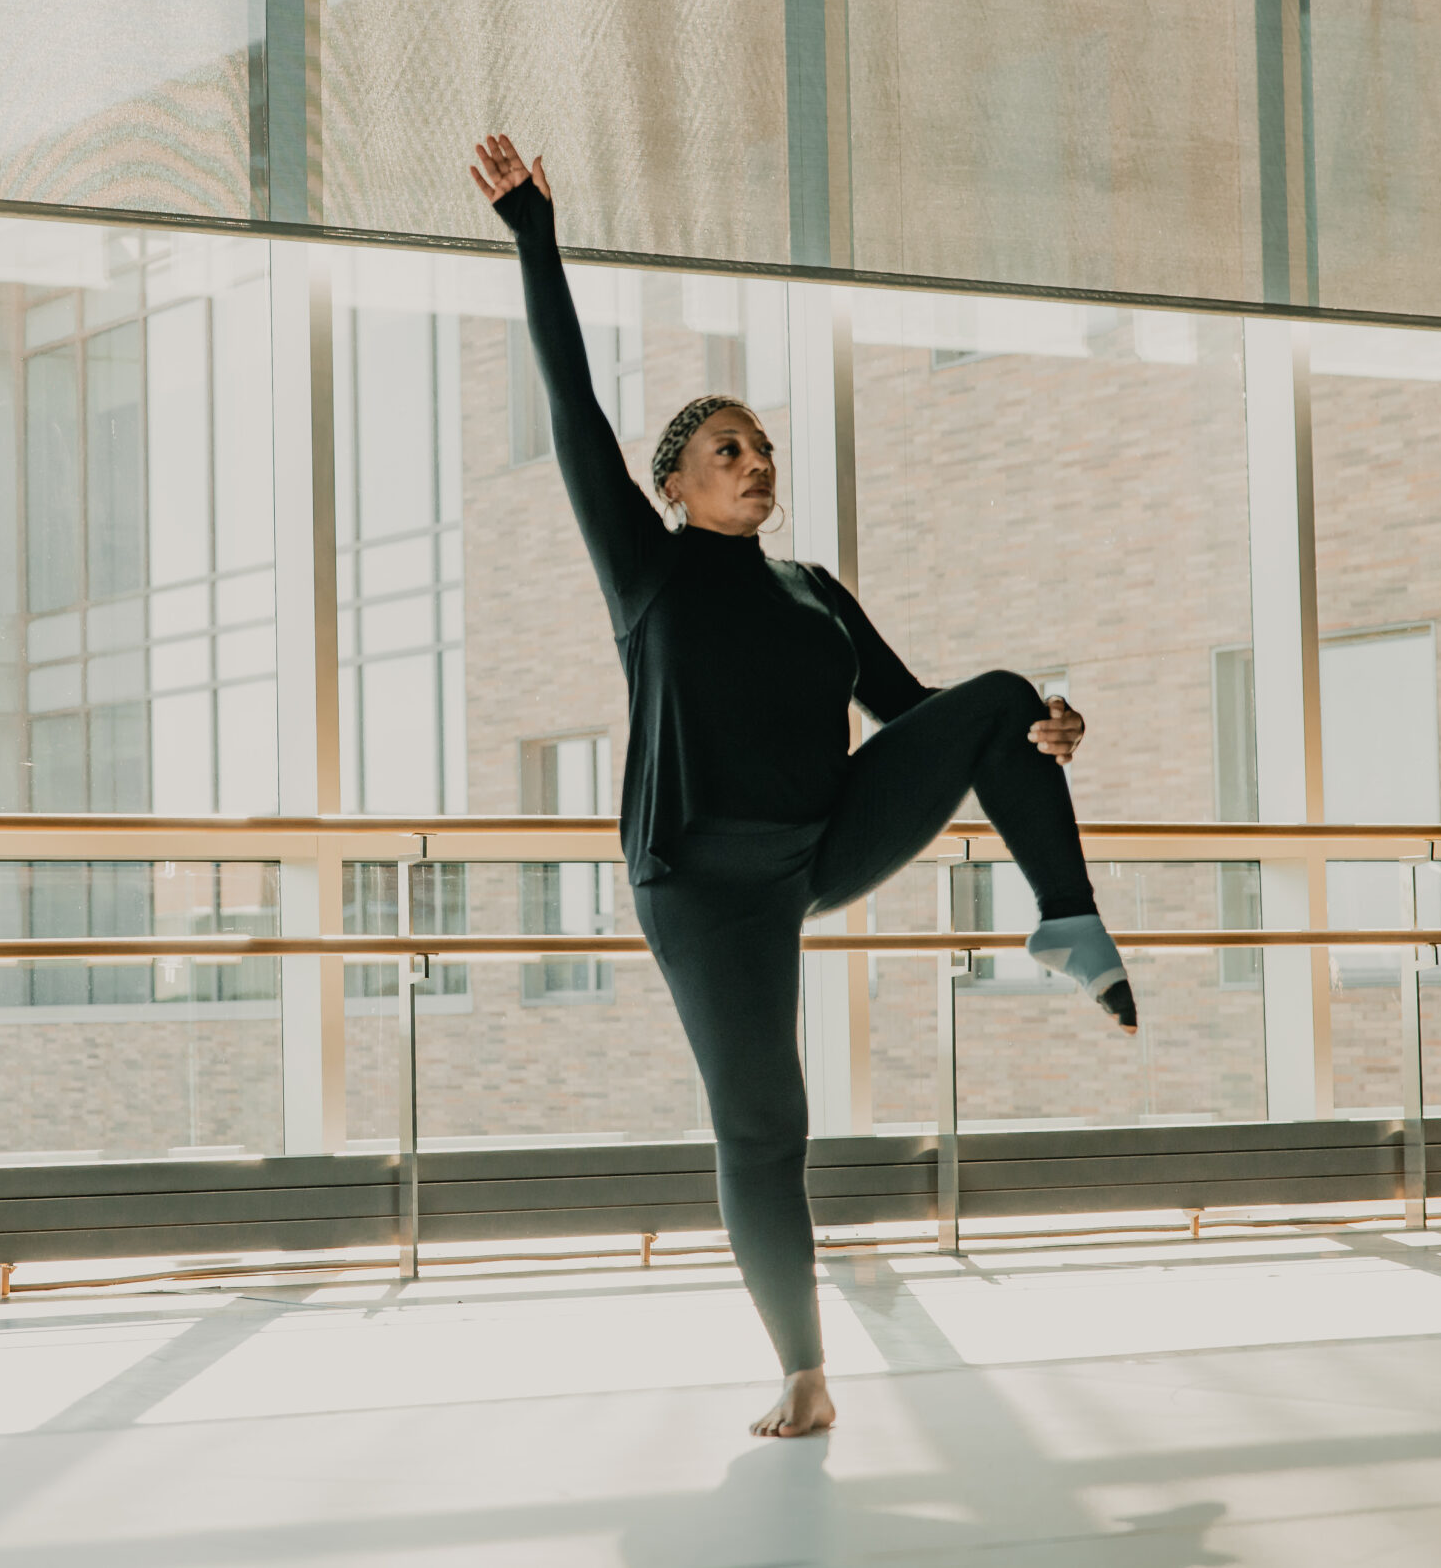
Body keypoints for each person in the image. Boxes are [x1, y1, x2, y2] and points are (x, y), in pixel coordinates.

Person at [470, 135, 1138, 1438]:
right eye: (726, 450)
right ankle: (805, 1367)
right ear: (674, 486)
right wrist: (536, 235)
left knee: (1000, 694)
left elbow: (911, 713)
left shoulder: (814, 592)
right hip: (705, 880)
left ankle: (1068, 923)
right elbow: (571, 408)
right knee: (767, 1121)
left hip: (818, 841)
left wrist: (1044, 731)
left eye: (762, 446)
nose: (753, 460)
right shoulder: (647, 570)